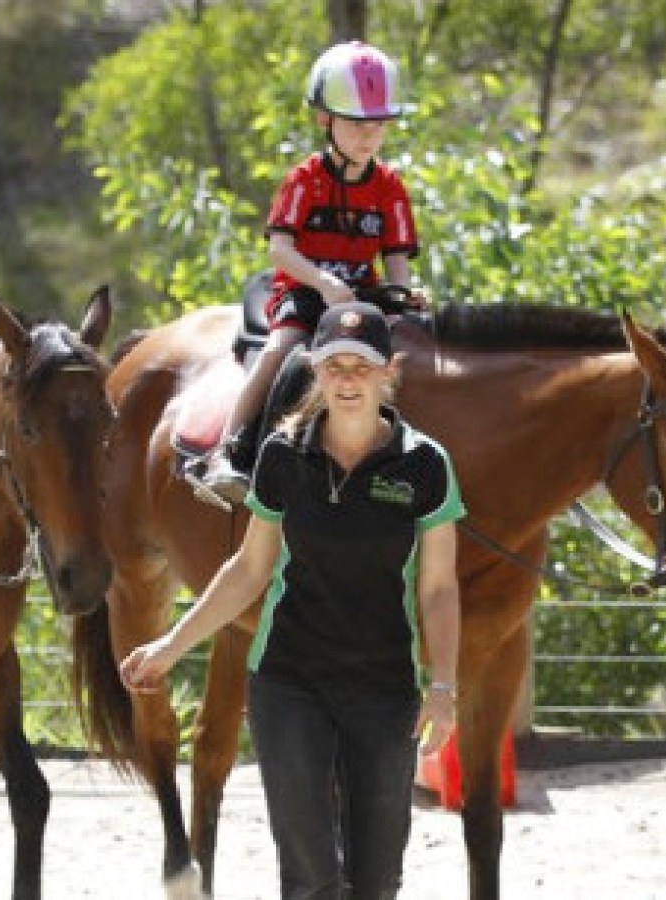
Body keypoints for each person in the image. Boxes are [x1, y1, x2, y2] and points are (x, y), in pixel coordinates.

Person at [121, 301, 463, 899]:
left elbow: (438, 588)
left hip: (385, 690)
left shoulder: (425, 464)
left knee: (377, 880)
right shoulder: (282, 455)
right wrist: (170, 646)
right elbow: (248, 570)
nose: (348, 380)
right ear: (315, 371)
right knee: (310, 880)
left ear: (388, 373)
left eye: (363, 366)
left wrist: (443, 685)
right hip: (289, 686)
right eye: (335, 366)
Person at [203, 40, 422, 504]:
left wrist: (403, 294)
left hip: (363, 299)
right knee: (279, 350)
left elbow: (396, 260)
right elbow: (279, 251)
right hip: (303, 291)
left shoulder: (390, 187)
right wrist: (323, 283)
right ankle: (227, 451)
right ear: (325, 120)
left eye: (379, 125)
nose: (368, 137)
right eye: (357, 124)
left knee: (413, 354)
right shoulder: (304, 180)